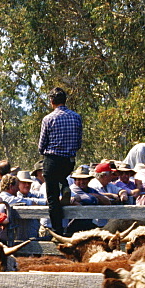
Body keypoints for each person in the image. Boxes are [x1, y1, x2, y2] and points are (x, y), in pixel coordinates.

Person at [38, 87, 82, 233]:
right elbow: (78, 143)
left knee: (52, 198)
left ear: (52, 101)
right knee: (61, 177)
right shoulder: (76, 117)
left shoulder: (48, 118)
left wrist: (46, 152)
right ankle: (64, 186)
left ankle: (57, 229)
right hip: (69, 161)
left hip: (53, 160)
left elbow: (41, 145)